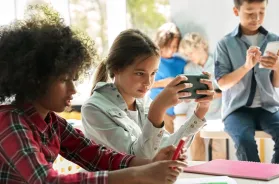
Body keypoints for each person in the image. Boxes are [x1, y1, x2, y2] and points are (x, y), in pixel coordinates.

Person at [0, 5, 187, 184]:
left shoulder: (53, 123)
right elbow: (47, 181)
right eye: (65, 80)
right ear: (36, 79)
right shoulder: (10, 121)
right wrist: (139, 173)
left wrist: (151, 163)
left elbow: (97, 156)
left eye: (74, 79)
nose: (73, 89)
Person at [81, 29, 215, 159]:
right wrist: (158, 109)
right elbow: (139, 160)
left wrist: (200, 112)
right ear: (116, 68)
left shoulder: (143, 102)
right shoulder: (93, 109)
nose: (148, 82)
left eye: (153, 73)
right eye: (140, 73)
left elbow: (167, 149)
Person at [214, 0, 279, 164]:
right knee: (244, 140)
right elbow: (222, 83)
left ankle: (275, 177)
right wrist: (247, 66)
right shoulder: (225, 44)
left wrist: (277, 67)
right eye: (250, 13)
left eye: (262, 12)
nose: (256, 18)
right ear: (236, 11)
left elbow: (278, 83)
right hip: (236, 109)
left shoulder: (274, 40)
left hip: (268, 107)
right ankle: (253, 181)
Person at [175, 32, 225, 161]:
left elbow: (227, 90)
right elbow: (186, 96)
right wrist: (186, 97)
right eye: (186, 55)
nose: (189, 57)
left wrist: (212, 95)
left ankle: (218, 176)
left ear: (201, 47)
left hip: (216, 114)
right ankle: (198, 176)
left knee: (218, 148)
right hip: (195, 113)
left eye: (190, 53)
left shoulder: (218, 63)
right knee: (196, 146)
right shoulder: (188, 68)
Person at [149, 22, 185, 133]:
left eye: (175, 46)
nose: (173, 49)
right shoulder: (152, 60)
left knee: (171, 145)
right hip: (158, 109)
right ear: (162, 43)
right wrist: (163, 83)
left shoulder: (181, 63)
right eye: (170, 46)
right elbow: (142, 84)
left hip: (175, 111)